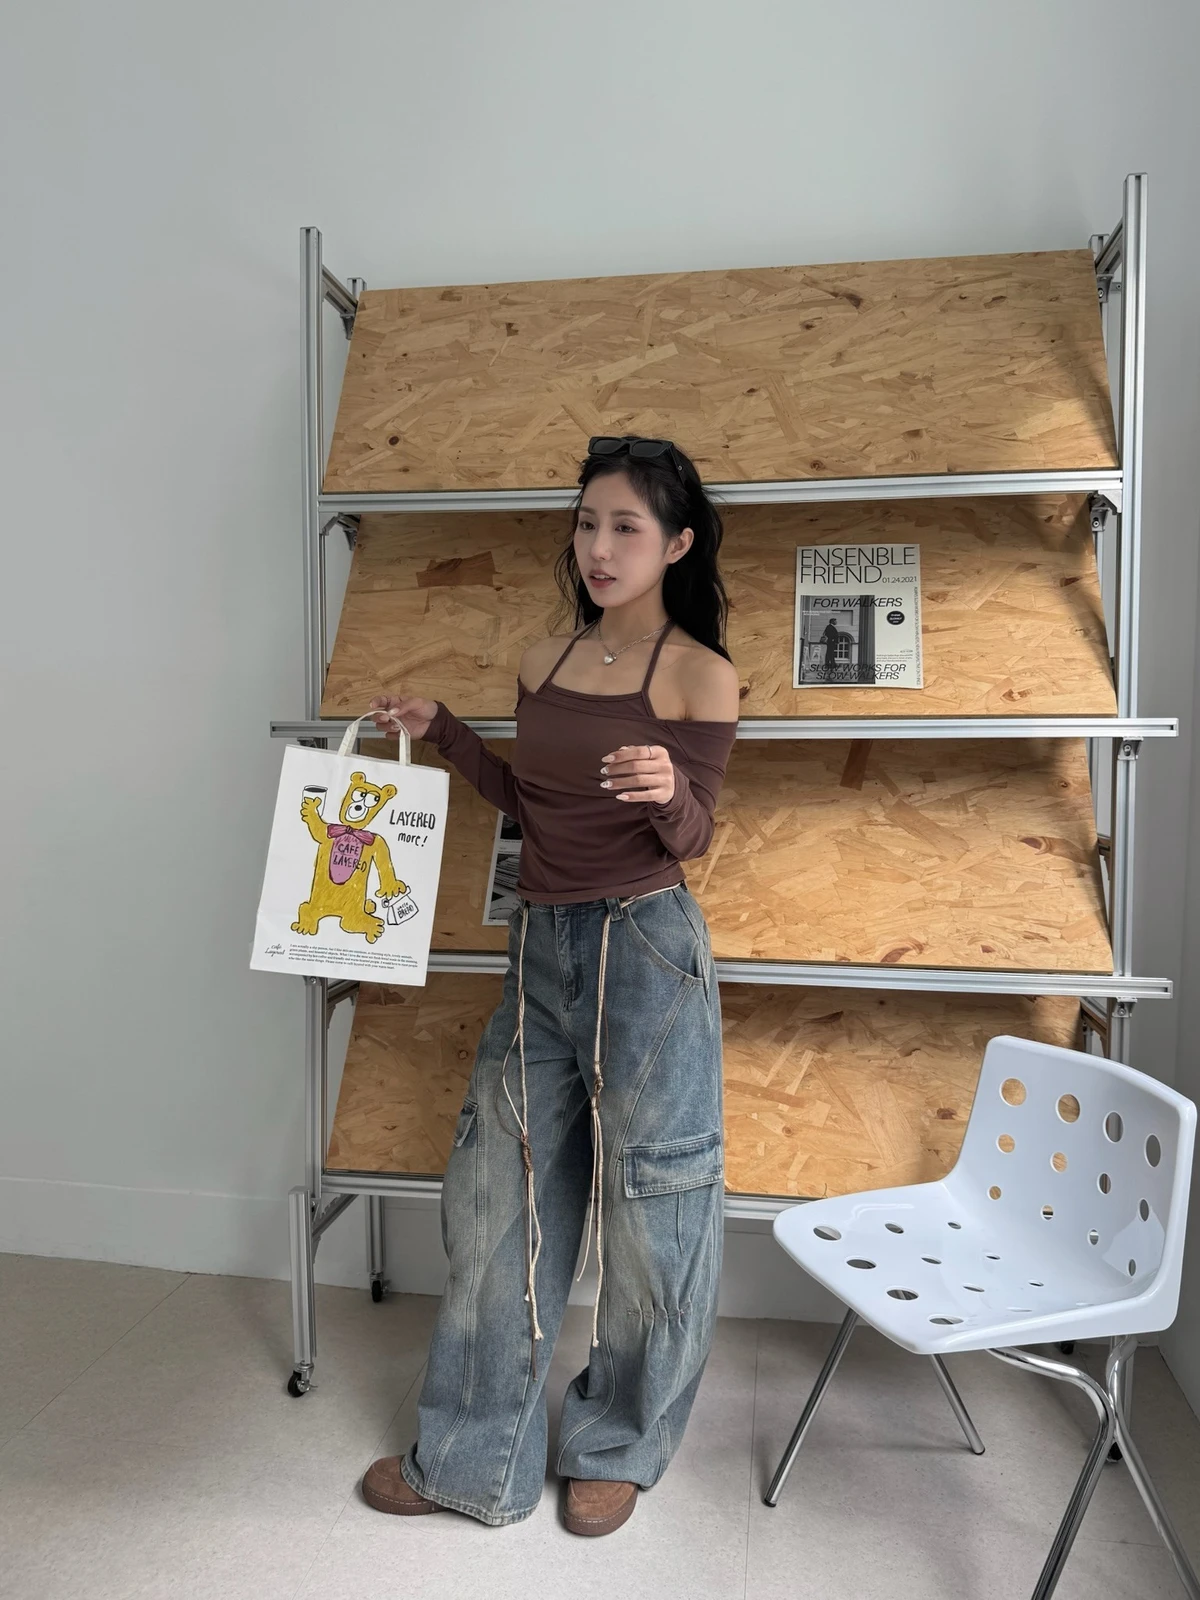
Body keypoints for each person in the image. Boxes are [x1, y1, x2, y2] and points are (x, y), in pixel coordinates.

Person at [361, 435, 740, 1535]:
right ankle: (473, 1457)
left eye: (626, 528)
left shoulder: (699, 673)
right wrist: (442, 732)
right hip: (540, 947)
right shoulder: (544, 661)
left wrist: (668, 787)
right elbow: (529, 802)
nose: (599, 548)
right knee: (497, 1198)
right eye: (586, 524)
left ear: (676, 545)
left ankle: (615, 1443)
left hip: (646, 952)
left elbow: (694, 837)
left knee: (655, 1209)